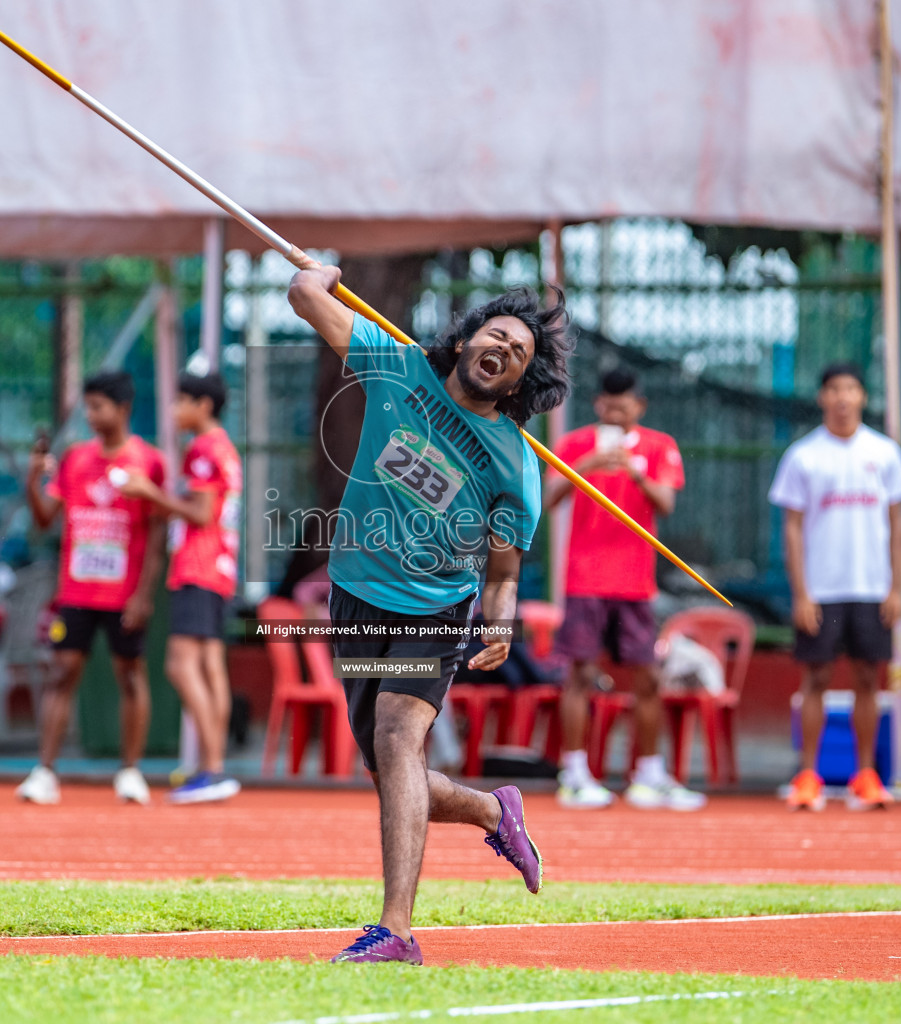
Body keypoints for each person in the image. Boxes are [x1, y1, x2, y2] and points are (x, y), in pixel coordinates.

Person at [288, 267, 569, 965]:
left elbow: (503, 573)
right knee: (393, 774)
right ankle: (489, 810)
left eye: (520, 354)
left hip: (435, 609)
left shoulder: (512, 461)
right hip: (353, 596)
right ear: (469, 338)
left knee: (396, 737)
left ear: (516, 384)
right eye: (496, 334)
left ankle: (397, 932)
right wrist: (319, 276)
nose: (504, 348)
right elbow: (302, 297)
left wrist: (500, 626)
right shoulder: (395, 364)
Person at [545, 368, 703, 811]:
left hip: (635, 583)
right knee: (579, 674)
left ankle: (648, 775)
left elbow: (666, 503)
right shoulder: (576, 443)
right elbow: (549, 496)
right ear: (598, 406)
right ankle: (574, 772)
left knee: (648, 676)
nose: (617, 412)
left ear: (640, 406)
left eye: (625, 405)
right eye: (609, 405)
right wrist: (590, 465)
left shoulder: (659, 446)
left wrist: (635, 475)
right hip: (585, 580)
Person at [768, 362, 901, 812]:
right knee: (816, 678)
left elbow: (896, 525)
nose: (843, 398)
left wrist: (895, 589)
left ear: (863, 397)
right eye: (834, 389)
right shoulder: (803, 455)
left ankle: (866, 776)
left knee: (870, 678)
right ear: (822, 398)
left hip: (871, 588)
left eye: (851, 389)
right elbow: (791, 530)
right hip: (822, 590)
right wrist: (801, 593)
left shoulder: (885, 453)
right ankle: (808, 776)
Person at [16, 372, 167, 806]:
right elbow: (45, 520)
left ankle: (130, 772)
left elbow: (157, 534)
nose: (90, 414)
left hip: (123, 595)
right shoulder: (75, 459)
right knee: (61, 674)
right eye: (88, 406)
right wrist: (31, 481)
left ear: (122, 409)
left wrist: (143, 593)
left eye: (98, 406)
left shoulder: (148, 461)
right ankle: (44, 772)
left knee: (130, 676)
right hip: (77, 594)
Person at [117, 370, 244, 805]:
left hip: (198, 566)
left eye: (179, 401)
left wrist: (148, 492)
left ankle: (212, 768)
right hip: (220, 568)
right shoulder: (225, 447)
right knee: (210, 668)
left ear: (202, 406)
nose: (173, 411)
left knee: (179, 665)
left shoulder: (203, 449)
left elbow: (201, 514)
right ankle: (214, 766)